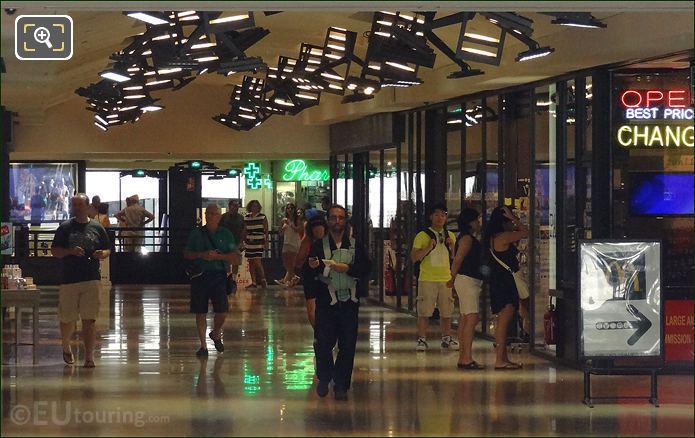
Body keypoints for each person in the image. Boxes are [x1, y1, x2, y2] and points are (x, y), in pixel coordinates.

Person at [304, 204, 371, 401]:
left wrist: (348, 268)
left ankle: (341, 384)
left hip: (349, 302)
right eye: (333, 218)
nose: (337, 221)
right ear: (328, 220)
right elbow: (308, 275)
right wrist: (311, 298)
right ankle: (324, 376)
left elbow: (366, 267)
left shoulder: (355, 245)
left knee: (347, 344)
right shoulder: (318, 246)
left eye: (340, 218)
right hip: (326, 303)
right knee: (323, 343)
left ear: (345, 220)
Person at [51, 194, 111, 368]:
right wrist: (70, 251)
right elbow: (55, 251)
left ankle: (89, 357)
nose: (76, 207)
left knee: (89, 318)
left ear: (87, 206)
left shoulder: (97, 227)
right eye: (74, 204)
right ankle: (66, 345)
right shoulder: (64, 228)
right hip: (69, 279)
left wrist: (103, 254)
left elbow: (107, 249)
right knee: (68, 317)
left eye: (79, 204)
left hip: (91, 278)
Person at [183, 204, 241, 357]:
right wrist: (201, 255)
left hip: (218, 275)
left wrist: (218, 257)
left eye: (214, 214)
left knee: (222, 310)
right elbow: (187, 253)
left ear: (219, 216)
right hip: (199, 276)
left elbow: (236, 258)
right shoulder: (196, 233)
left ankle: (216, 332)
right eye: (208, 213)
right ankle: (203, 346)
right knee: (200, 311)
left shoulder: (226, 234)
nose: (210, 216)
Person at [410, 202, 459, 352]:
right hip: (427, 278)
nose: (440, 218)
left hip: (445, 278)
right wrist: (428, 248)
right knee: (424, 311)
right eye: (437, 214)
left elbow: (455, 258)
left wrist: (452, 247)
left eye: (443, 215)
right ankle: (422, 339)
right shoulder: (422, 235)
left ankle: (446, 337)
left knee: (447, 311)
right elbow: (414, 257)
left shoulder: (450, 236)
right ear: (431, 216)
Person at [484, 205, 529, 370]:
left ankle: (503, 358)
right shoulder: (503, 237)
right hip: (505, 282)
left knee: (502, 320)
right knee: (504, 321)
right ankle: (500, 359)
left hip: (498, 280)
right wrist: (513, 218)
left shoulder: (491, 237)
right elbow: (525, 232)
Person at [447, 208, 484, 369]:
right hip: (468, 280)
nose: (478, 223)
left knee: (465, 317)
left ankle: (464, 355)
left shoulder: (463, 237)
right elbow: (458, 259)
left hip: (465, 280)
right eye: (476, 220)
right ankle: (466, 357)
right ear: (470, 222)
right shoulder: (467, 239)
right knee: (471, 317)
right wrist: (452, 277)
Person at [296, 214, 327, 327]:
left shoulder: (309, 241)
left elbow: (298, 261)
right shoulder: (308, 241)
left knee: (315, 309)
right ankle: (321, 334)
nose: (318, 231)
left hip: (323, 277)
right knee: (313, 309)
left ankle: (322, 334)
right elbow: (299, 261)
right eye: (316, 228)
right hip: (312, 276)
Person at [277, 203, 305, 287]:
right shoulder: (283, 220)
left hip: (294, 242)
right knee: (286, 262)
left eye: (291, 208)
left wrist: (291, 224)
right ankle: (293, 277)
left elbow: (299, 230)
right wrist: (283, 228)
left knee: (292, 262)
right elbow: (280, 233)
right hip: (286, 242)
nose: (289, 210)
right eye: (288, 208)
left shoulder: (297, 220)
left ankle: (288, 280)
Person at [244, 200, 268, 289]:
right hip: (249, 242)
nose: (254, 207)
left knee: (257, 261)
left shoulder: (262, 217)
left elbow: (266, 230)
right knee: (251, 262)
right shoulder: (246, 217)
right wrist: (244, 240)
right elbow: (245, 230)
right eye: (253, 206)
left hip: (259, 241)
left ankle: (263, 280)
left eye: (256, 206)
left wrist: (266, 243)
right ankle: (253, 282)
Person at [219, 199, 246, 278]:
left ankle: (233, 279)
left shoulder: (241, 218)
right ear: (230, 206)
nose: (236, 207)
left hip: (236, 242)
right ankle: (227, 277)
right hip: (225, 243)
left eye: (237, 206)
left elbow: (244, 230)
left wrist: (241, 241)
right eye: (234, 205)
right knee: (226, 260)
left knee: (235, 261)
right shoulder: (224, 217)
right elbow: (219, 229)